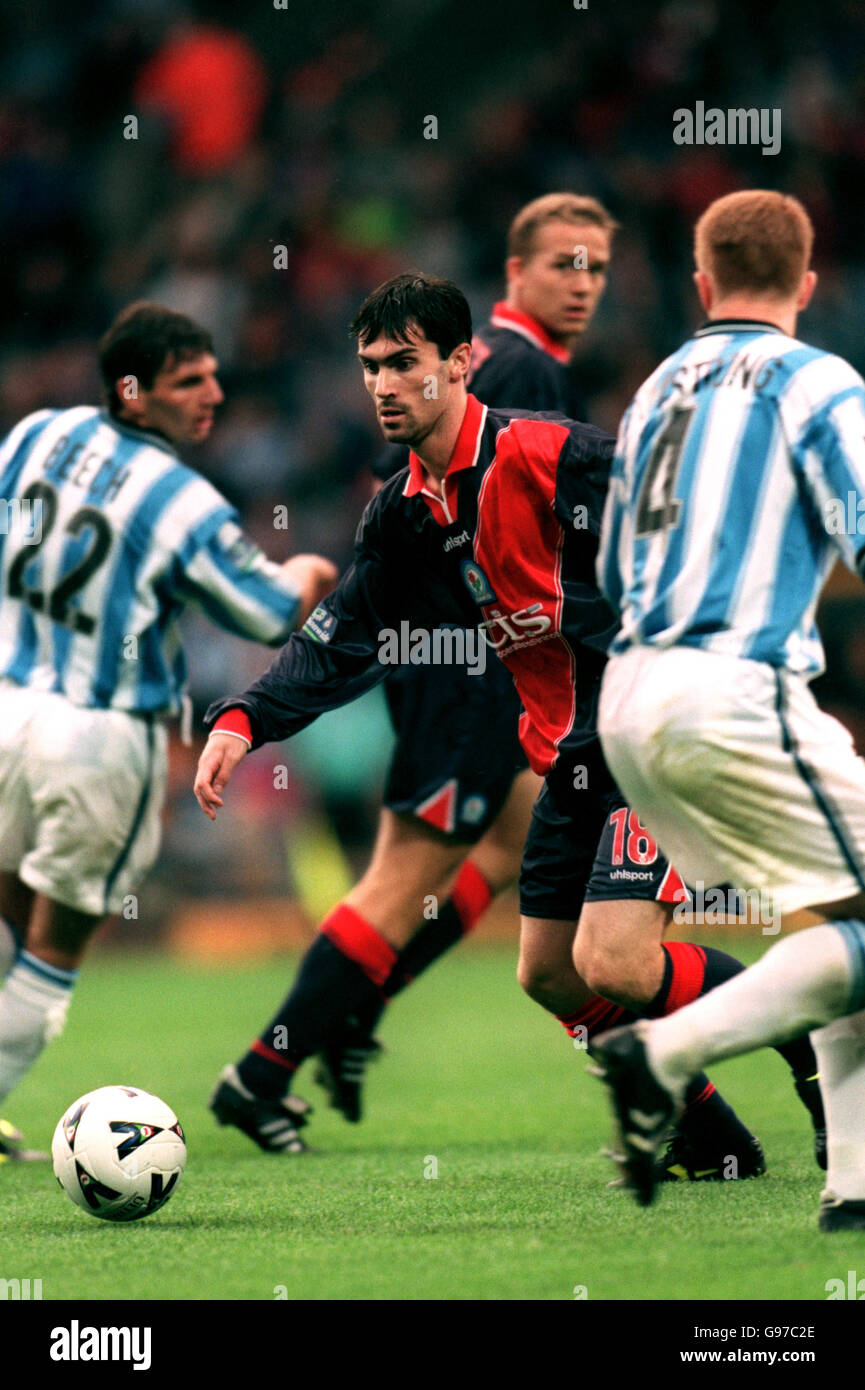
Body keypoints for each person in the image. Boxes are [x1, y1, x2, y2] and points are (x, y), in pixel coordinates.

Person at [195, 273, 821, 1173]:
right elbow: (340, 637)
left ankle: (802, 1029)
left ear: (458, 365)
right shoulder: (404, 512)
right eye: (368, 366)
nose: (380, 384)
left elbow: (676, 510)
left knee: (613, 963)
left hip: (648, 736)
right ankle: (710, 1136)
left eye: (402, 363)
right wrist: (244, 720)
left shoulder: (550, 454)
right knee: (548, 974)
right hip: (564, 752)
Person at [0, 301, 336, 1162]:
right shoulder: (179, 498)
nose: (214, 393)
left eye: (213, 374)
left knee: (6, 904)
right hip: (102, 735)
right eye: (190, 381)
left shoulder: (35, 435)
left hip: (8, 706)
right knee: (59, 941)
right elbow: (264, 613)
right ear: (133, 392)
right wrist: (310, 568)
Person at [588, 189, 865, 1230]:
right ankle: (658, 1054)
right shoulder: (816, 379)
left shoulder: (656, 388)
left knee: (833, 918)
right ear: (806, 280)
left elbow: (616, 565)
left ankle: (852, 1185)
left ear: (701, 285)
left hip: (632, 699)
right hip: (733, 688)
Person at [315, 193, 615, 1124]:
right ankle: (273, 1063)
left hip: (561, 696)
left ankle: (335, 1027)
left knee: (509, 864)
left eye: (596, 267)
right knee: (425, 871)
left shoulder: (544, 390)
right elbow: (414, 504)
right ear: (514, 274)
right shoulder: (513, 365)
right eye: (563, 263)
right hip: (482, 672)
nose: (582, 284)